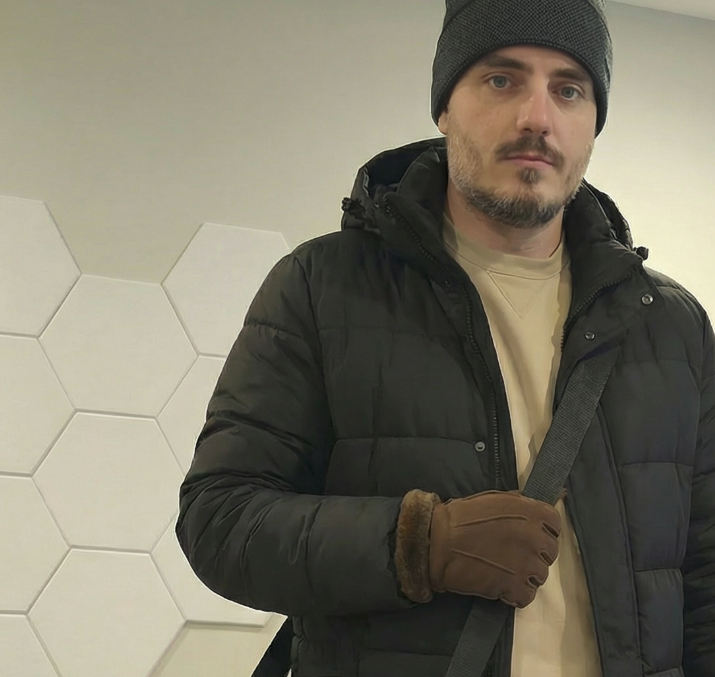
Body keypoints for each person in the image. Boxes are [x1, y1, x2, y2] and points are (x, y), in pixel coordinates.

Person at [176, 0, 715, 675]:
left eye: (569, 90)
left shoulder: (668, 323)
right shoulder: (322, 287)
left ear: (592, 122)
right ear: (444, 108)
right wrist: (419, 545)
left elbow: (703, 573)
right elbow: (219, 520)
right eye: (501, 79)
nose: (536, 117)